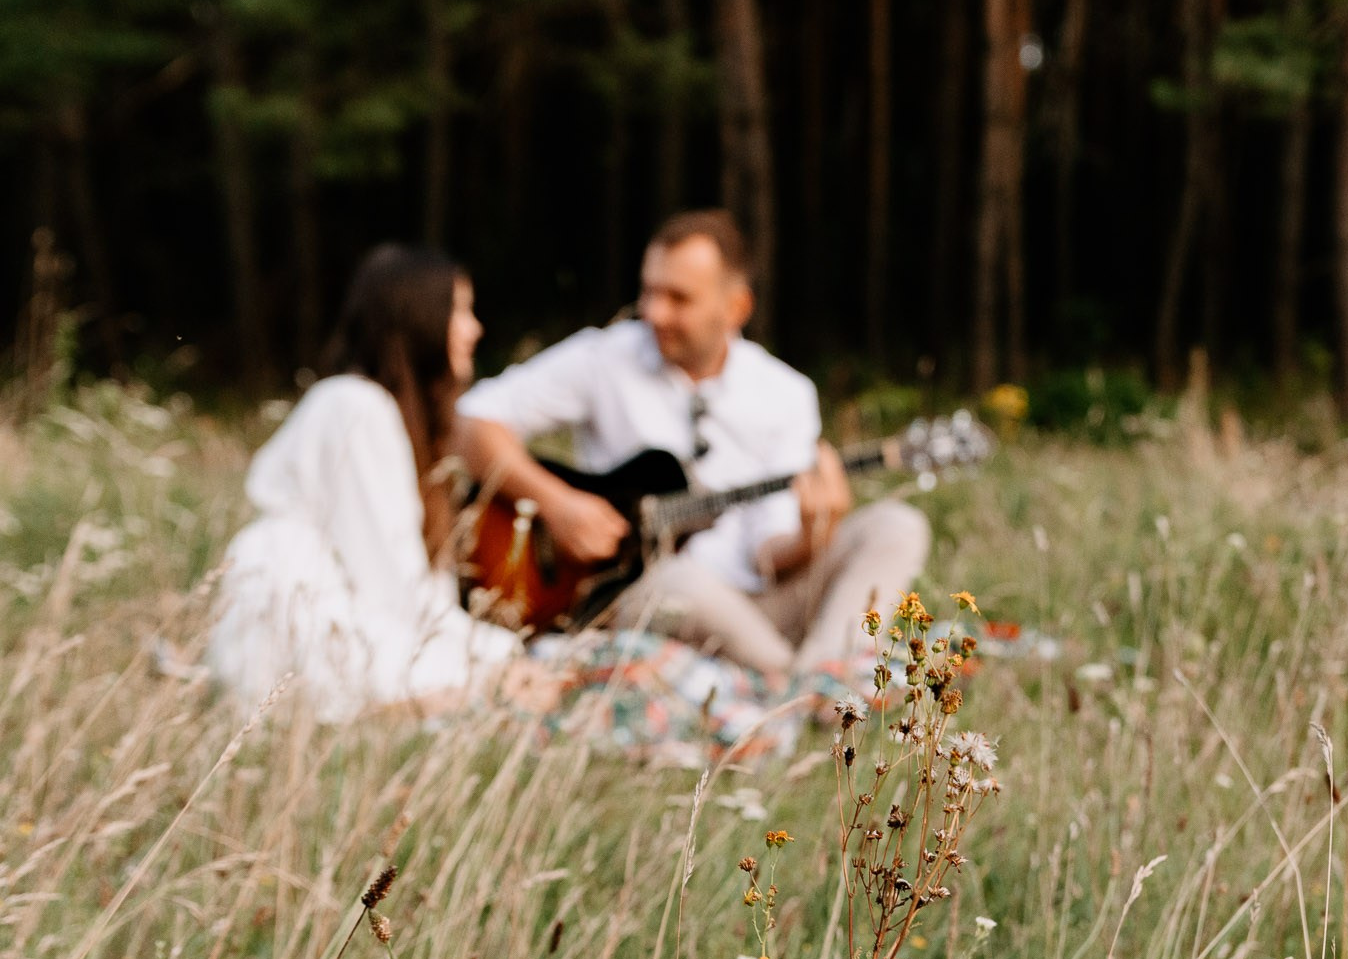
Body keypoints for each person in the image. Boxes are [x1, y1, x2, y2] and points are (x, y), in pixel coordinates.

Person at [457, 210, 928, 685]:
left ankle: (822, 669)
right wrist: (557, 505)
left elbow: (769, 555)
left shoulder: (786, 392)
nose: (654, 313)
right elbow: (472, 419)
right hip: (654, 596)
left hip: (762, 604)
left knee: (897, 524)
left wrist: (811, 532)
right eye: (649, 291)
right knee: (674, 579)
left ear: (736, 308)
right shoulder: (604, 358)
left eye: (678, 298)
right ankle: (804, 687)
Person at [208, 244, 529, 721]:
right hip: (297, 609)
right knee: (490, 683)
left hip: (337, 604)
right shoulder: (355, 407)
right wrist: (498, 650)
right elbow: (389, 579)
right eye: (460, 311)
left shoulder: (394, 419)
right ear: (419, 317)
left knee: (497, 676)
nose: (474, 328)